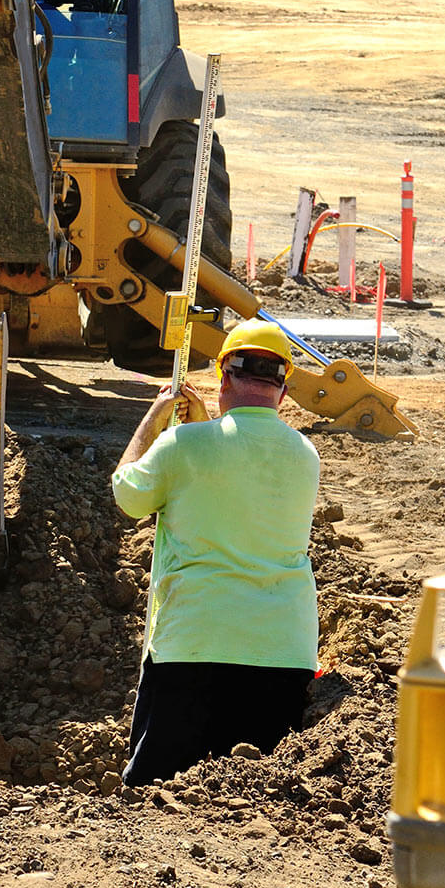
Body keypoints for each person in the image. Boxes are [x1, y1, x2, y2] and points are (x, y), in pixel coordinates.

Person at [111, 320, 321, 786]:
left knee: (150, 793)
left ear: (224, 378)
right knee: (259, 794)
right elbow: (232, 472)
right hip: (282, 656)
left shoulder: (182, 446)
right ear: (283, 389)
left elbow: (128, 495)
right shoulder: (306, 456)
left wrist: (154, 422)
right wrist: (201, 428)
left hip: (193, 650)